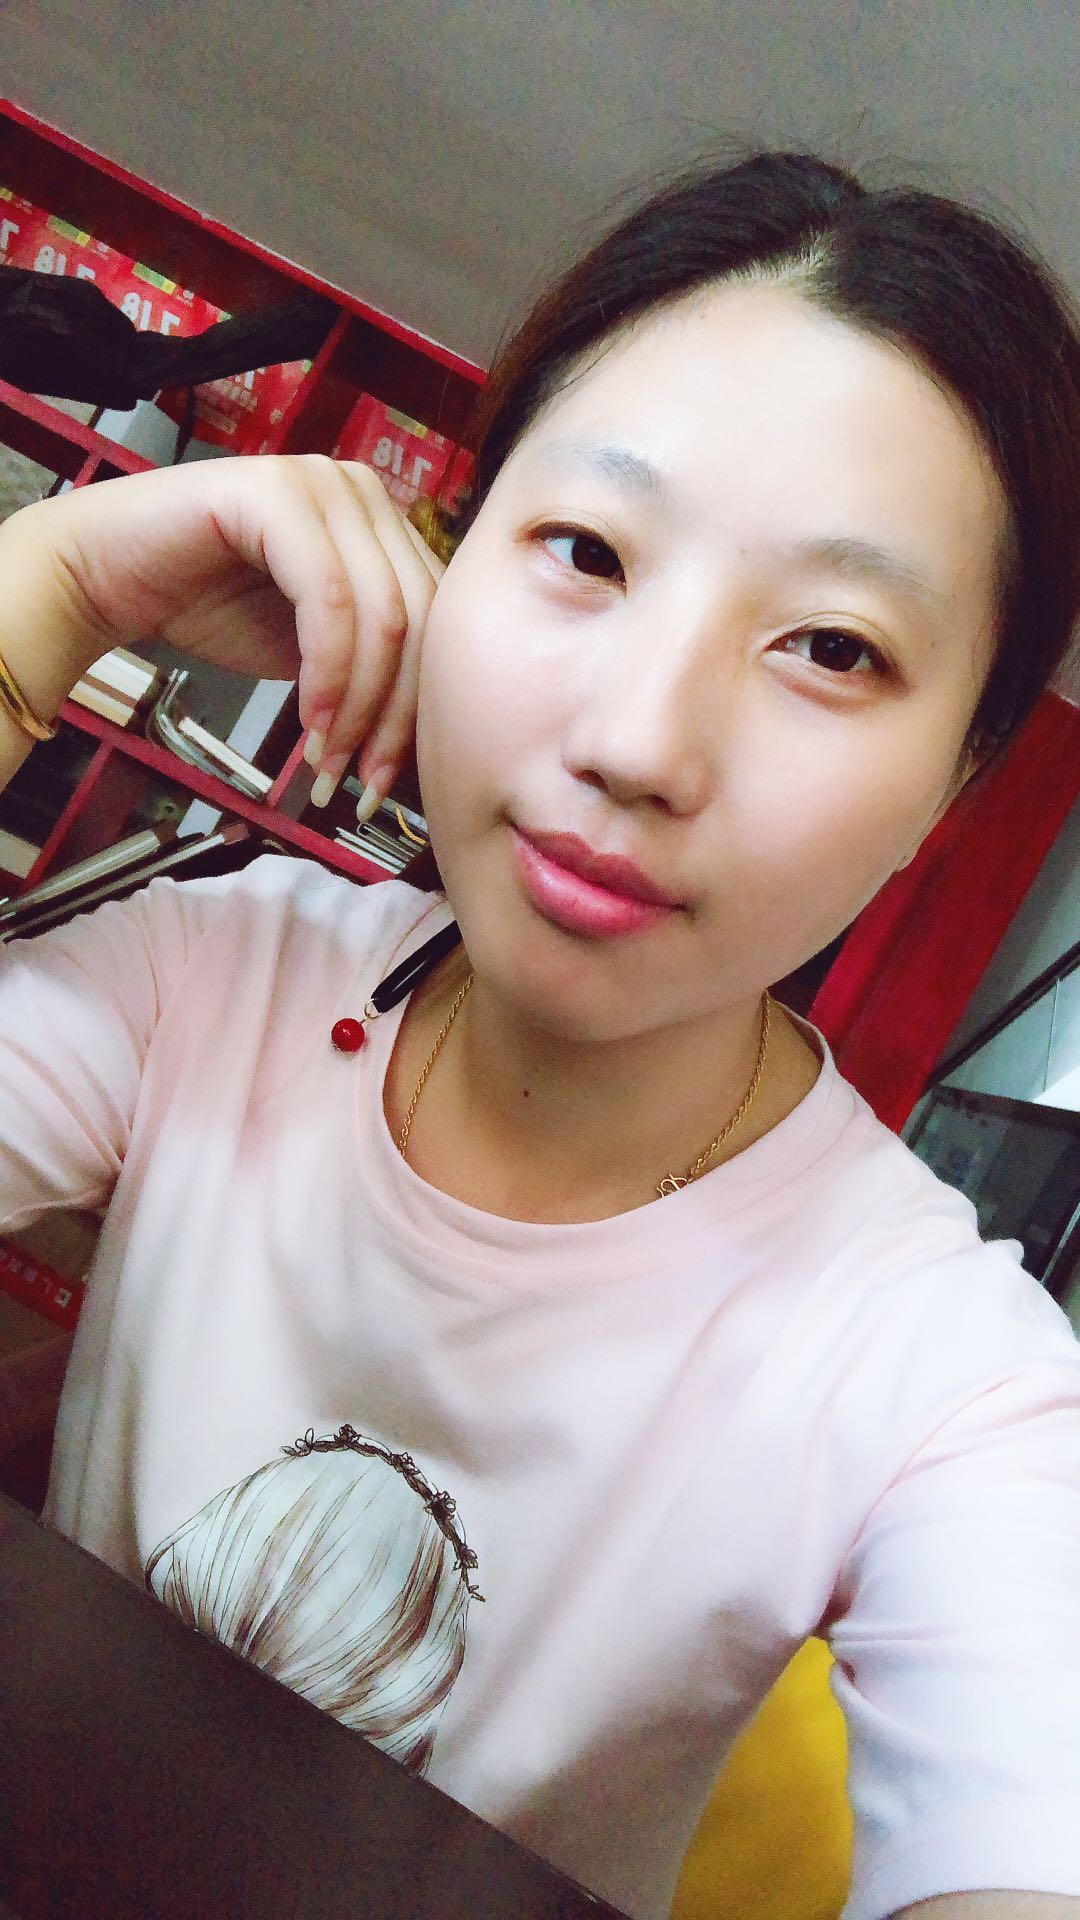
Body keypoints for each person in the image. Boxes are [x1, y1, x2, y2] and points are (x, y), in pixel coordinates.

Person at [1, 148, 1078, 1920]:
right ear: (447, 567)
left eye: (831, 647)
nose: (640, 743)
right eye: (586, 551)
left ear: (949, 793)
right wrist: (52, 589)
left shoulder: (946, 1374)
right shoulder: (213, 974)